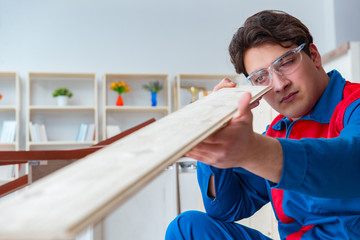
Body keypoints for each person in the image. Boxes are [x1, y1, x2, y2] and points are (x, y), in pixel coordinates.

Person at [165, 10, 360, 239]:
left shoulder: (353, 105)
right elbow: (227, 208)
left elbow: (351, 161)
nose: (278, 84)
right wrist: (215, 141)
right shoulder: (278, 132)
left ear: (314, 56)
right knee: (187, 227)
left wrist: (253, 150)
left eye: (286, 63)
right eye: (260, 78)